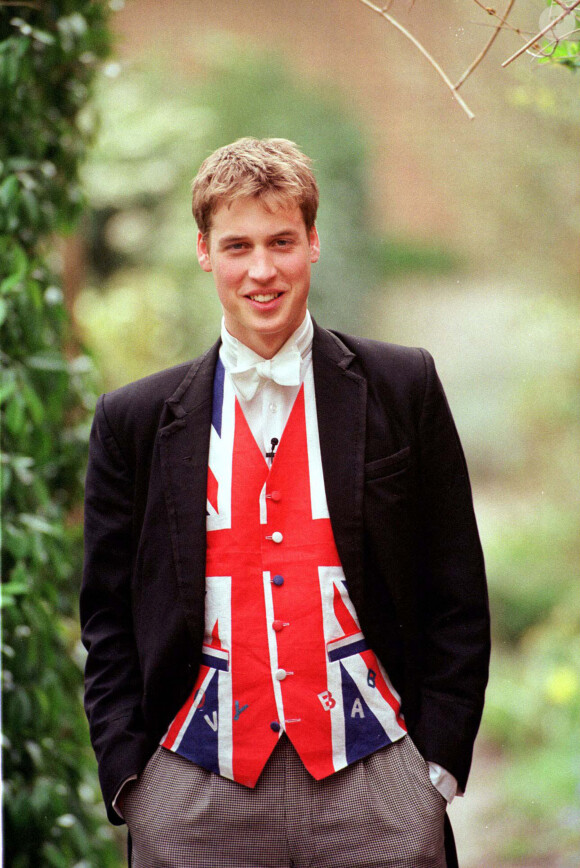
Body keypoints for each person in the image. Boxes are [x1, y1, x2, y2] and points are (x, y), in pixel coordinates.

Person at [81, 137, 490, 868]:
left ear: (313, 242)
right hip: (193, 788)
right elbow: (106, 615)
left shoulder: (403, 386)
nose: (262, 270)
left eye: (282, 242)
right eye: (237, 245)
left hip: (381, 779)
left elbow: (456, 587)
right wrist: (134, 782)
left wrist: (437, 768)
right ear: (204, 251)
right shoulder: (134, 421)